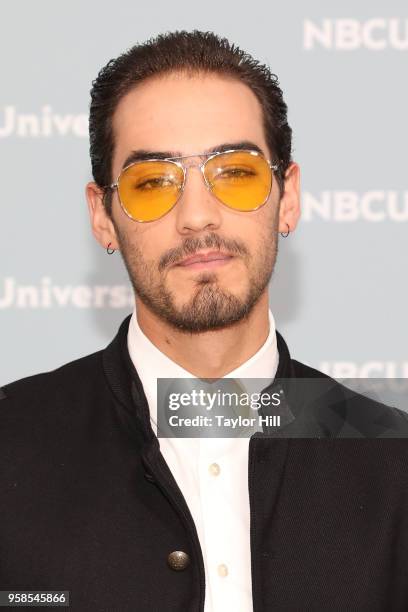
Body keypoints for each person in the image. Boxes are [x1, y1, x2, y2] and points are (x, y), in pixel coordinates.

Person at [1, 30, 408, 612]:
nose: (197, 216)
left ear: (286, 196)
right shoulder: (11, 445)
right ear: (103, 217)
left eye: (235, 172)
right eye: (152, 183)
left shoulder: (392, 464)